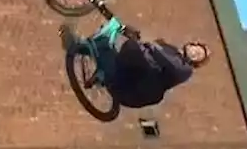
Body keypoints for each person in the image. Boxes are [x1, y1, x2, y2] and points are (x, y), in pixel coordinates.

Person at [61, 24, 209, 108]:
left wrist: (148, 45)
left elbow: (166, 61)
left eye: (197, 56)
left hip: (135, 92)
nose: (194, 53)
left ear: (195, 62)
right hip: (131, 78)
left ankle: (78, 48)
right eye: (196, 49)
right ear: (191, 44)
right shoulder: (172, 51)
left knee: (127, 50)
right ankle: (101, 75)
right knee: (111, 51)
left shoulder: (185, 70)